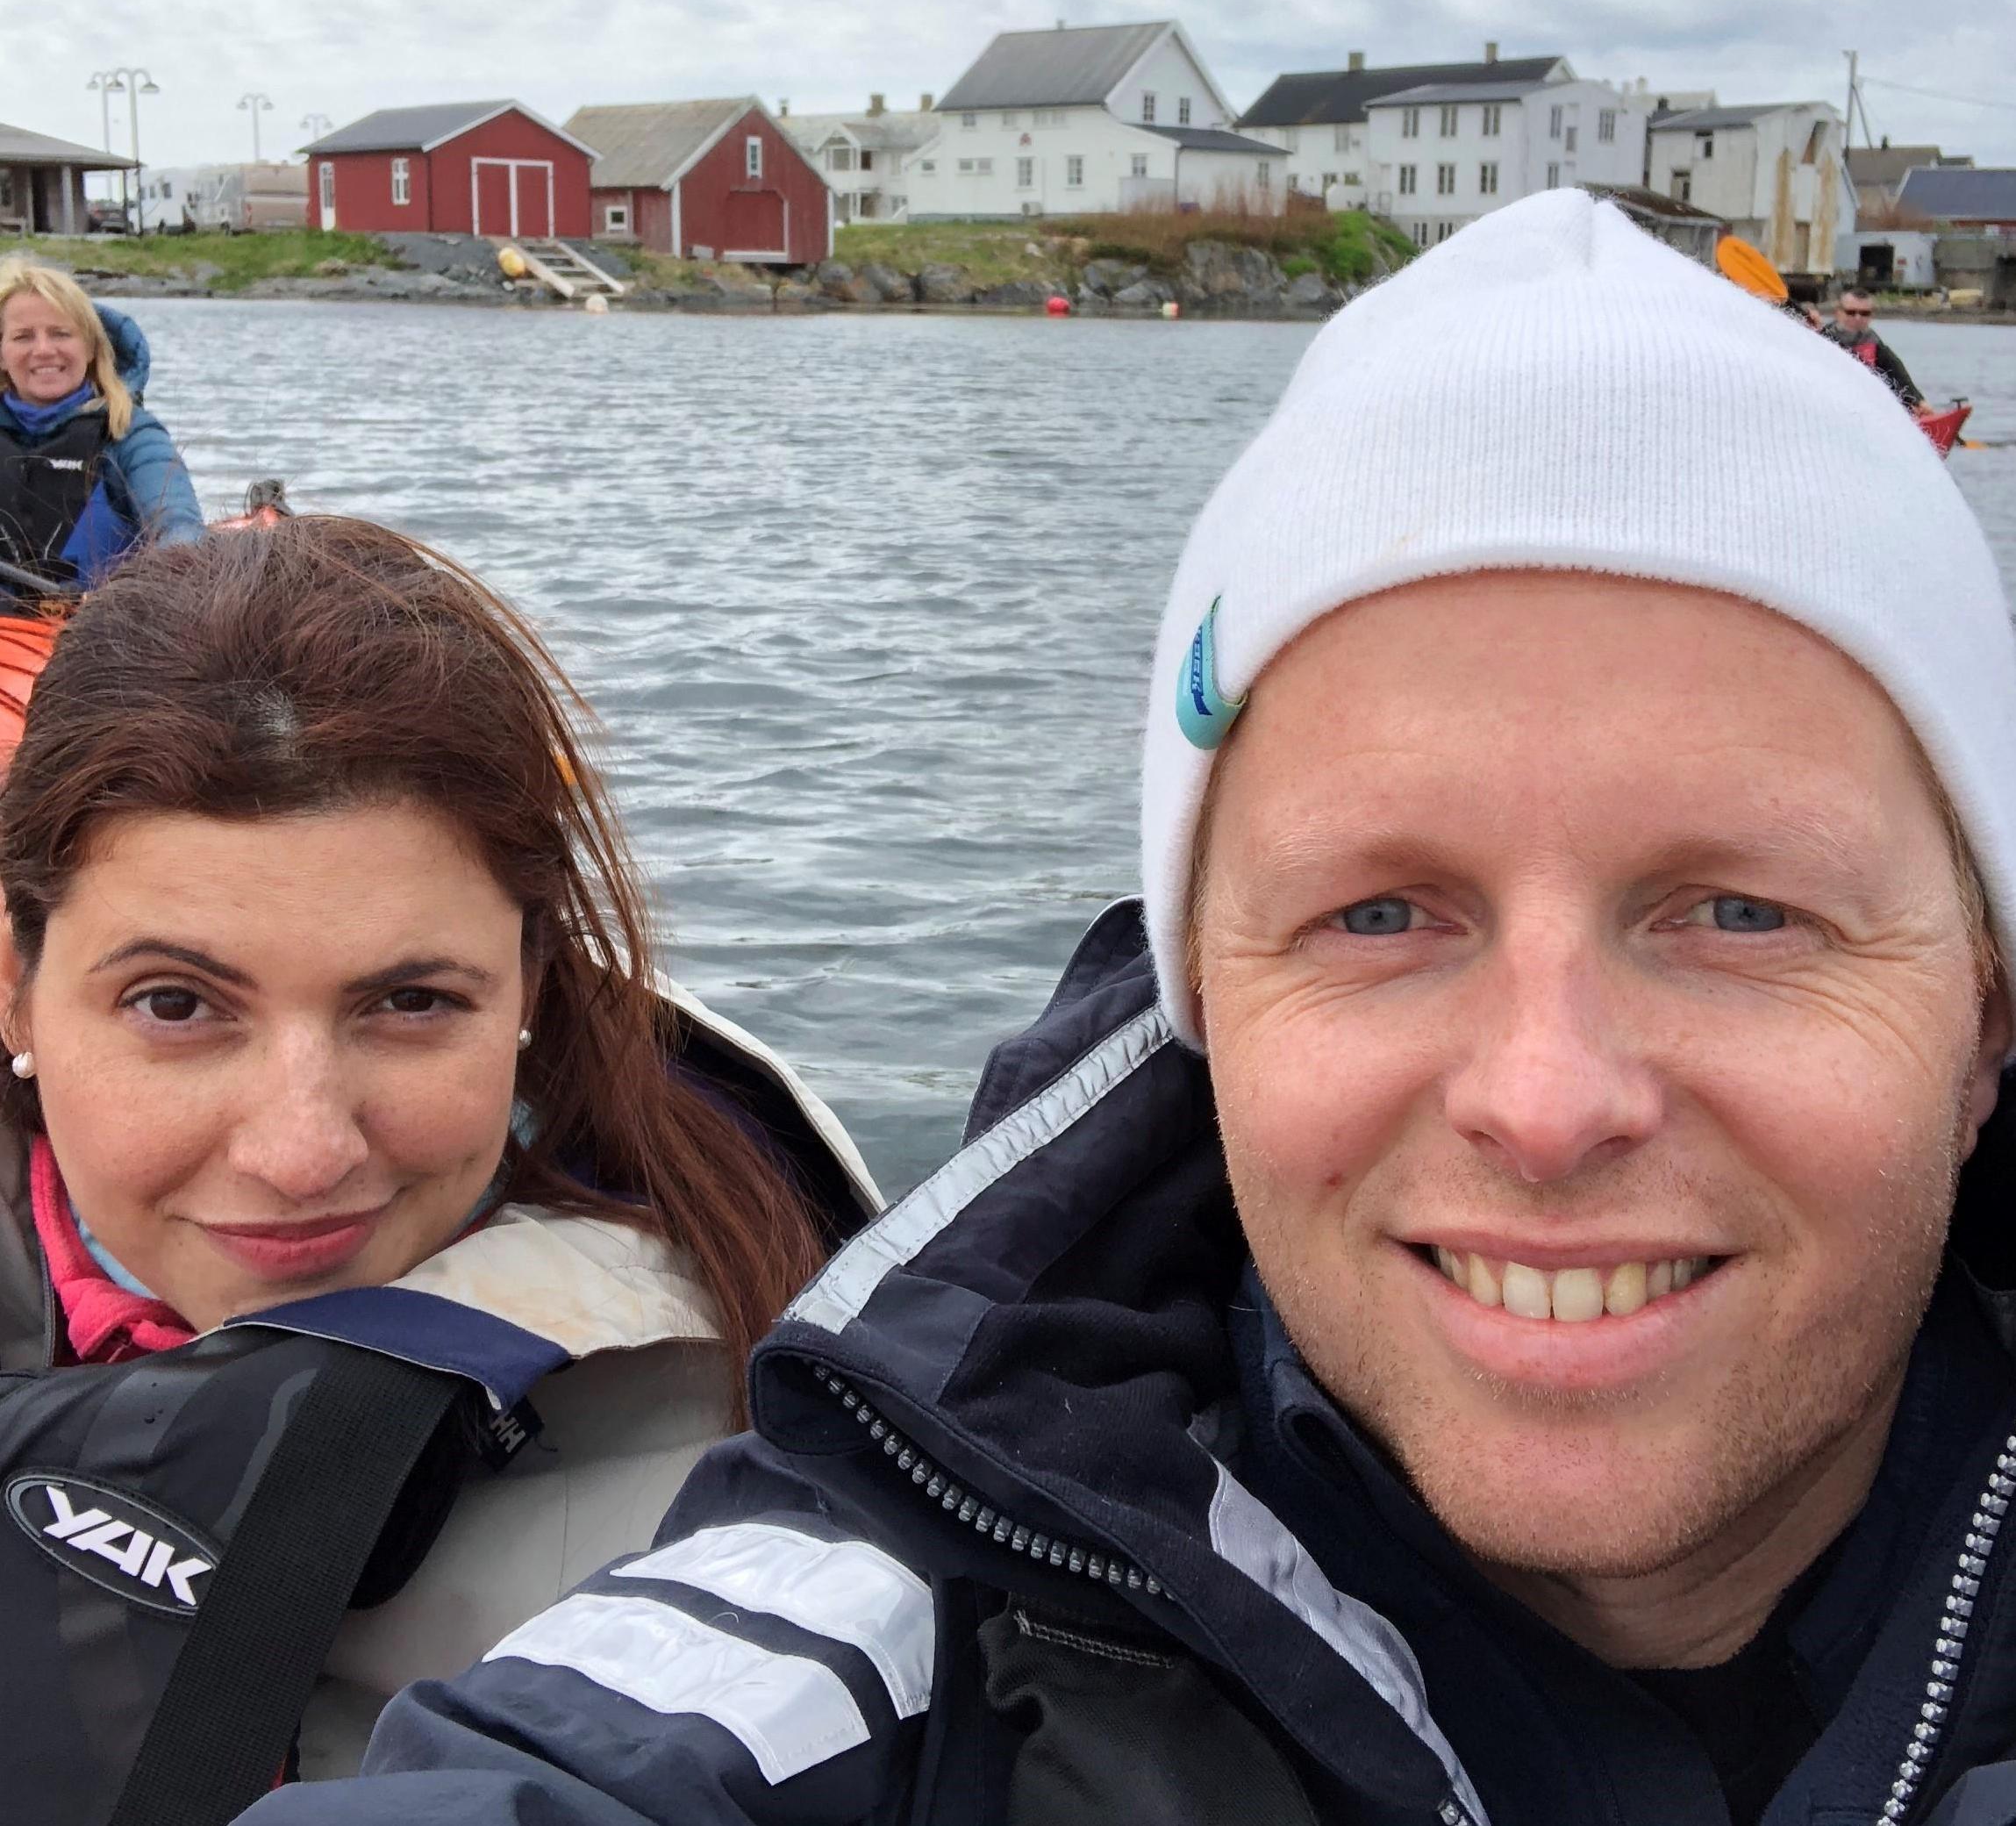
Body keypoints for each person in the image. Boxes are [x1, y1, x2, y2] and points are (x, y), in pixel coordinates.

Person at [241, 192, 2016, 1826]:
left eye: (1743, 912)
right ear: (1202, 1007)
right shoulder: (853, 1668)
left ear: (1988, 1009)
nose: (1547, 1102)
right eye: (1380, 913)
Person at [0, 516, 880, 1813]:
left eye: (409, 1002)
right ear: (17, 991)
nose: (301, 1152)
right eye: (177, 1005)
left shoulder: (754, 1498)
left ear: (530, 984)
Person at [0, 258, 204, 591]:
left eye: (60, 334)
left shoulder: (132, 434)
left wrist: (161, 584)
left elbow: (178, 526)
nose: (43, 350)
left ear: (92, 348)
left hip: (99, 628)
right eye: (23, 337)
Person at [1805, 283, 1932, 414]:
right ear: (1838, 313)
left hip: (1863, 408)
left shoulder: (1875, 344)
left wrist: (1918, 400)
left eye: (1864, 313)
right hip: (1828, 403)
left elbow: (1898, 374)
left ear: (1871, 316)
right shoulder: (1819, 338)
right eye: (1851, 312)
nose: (1858, 318)